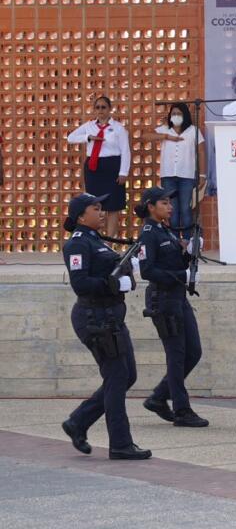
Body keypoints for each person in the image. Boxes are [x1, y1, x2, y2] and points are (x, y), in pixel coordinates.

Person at [59, 193, 151, 460]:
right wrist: (112, 284)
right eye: (95, 208)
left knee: (127, 375)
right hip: (94, 318)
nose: (102, 213)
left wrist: (126, 270)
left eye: (101, 208)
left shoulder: (95, 240)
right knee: (117, 378)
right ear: (80, 216)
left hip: (110, 317)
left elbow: (109, 269)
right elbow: (81, 283)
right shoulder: (77, 244)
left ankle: (78, 421)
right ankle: (120, 444)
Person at [132, 186, 208, 429]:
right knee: (176, 356)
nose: (170, 206)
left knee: (193, 352)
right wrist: (181, 275)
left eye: (170, 203)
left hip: (178, 298)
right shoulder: (148, 233)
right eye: (164, 203)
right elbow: (147, 270)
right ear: (150, 207)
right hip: (163, 300)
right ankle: (182, 409)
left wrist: (190, 253)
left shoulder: (166, 231)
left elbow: (176, 260)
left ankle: (158, 397)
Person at [66, 96, 131, 238]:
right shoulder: (89, 126)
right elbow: (70, 138)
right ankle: (98, 240)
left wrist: (123, 172)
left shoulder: (118, 128)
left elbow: (125, 151)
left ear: (109, 109)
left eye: (103, 107)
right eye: (97, 107)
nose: (100, 110)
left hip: (112, 166)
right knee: (95, 206)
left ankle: (110, 241)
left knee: (113, 207)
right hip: (94, 168)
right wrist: (88, 137)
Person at [141, 103, 207, 234]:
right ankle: (175, 242)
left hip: (186, 176)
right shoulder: (165, 129)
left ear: (185, 115)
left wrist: (202, 176)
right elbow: (145, 136)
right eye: (174, 114)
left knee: (186, 209)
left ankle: (188, 243)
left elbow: (201, 152)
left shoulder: (193, 130)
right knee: (172, 210)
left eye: (179, 114)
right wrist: (166, 136)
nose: (176, 116)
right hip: (168, 176)